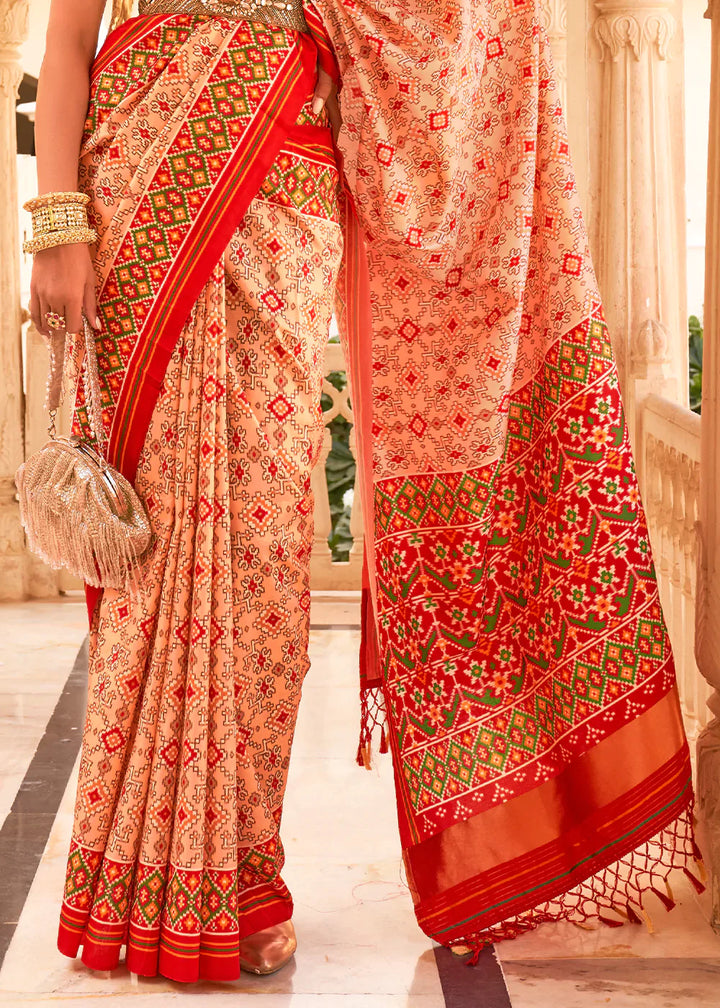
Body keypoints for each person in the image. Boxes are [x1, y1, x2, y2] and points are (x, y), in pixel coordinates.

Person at [25, 0, 702, 985]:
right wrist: (57, 225)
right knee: (157, 543)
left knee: (263, 560)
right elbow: (64, 43)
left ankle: (242, 870)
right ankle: (135, 874)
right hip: (142, 188)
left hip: (285, 197)